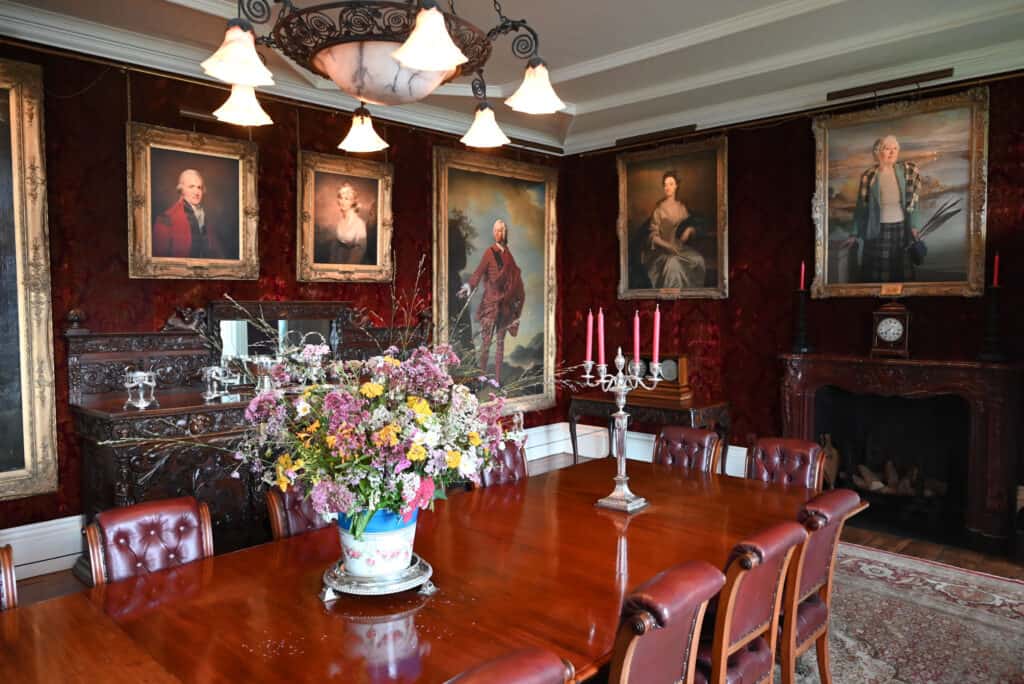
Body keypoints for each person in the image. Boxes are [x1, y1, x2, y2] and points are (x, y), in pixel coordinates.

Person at [843, 135, 922, 282]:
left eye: (895, 148)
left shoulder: (907, 171)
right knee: (879, 272)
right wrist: (853, 233)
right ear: (877, 152)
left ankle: (899, 300)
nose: (892, 152)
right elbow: (861, 207)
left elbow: (914, 202)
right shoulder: (868, 176)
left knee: (901, 267)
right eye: (887, 148)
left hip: (901, 228)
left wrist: (915, 226)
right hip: (877, 229)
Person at [457, 219, 524, 384]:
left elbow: (516, 280)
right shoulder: (489, 252)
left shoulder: (509, 255)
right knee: (486, 343)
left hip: (505, 305)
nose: (497, 234)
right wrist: (468, 286)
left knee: (500, 343)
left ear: (505, 233)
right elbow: (478, 273)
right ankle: (481, 377)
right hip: (490, 304)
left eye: (500, 230)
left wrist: (516, 307)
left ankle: (498, 381)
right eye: (495, 230)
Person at [639, 170, 706, 288]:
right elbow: (652, 236)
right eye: (665, 184)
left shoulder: (682, 208)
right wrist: (667, 246)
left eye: (670, 184)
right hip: (662, 251)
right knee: (672, 265)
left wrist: (690, 230)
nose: (667, 187)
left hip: (679, 248)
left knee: (698, 260)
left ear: (676, 186)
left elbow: (690, 225)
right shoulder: (659, 210)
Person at [152, 169, 227, 259]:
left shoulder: (205, 220)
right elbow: (159, 262)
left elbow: (218, 255)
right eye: (191, 186)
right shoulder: (166, 219)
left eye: (199, 187)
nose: (197, 192)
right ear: (181, 190)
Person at [330, 182, 368, 264]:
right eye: (341, 198)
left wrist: (347, 267)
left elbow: (360, 250)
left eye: (346, 199)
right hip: (337, 264)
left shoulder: (359, 224)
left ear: (352, 202)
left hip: (351, 265)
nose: (342, 201)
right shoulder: (340, 223)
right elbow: (334, 248)